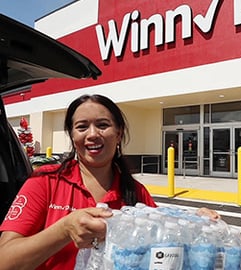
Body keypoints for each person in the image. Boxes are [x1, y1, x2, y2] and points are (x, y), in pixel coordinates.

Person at [0, 94, 220, 269]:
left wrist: (194, 222)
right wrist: (64, 230)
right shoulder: (45, 181)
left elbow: (161, 241)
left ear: (118, 133)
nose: (93, 134)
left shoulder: (136, 192)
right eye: (82, 126)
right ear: (72, 136)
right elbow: (5, 260)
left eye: (103, 125)